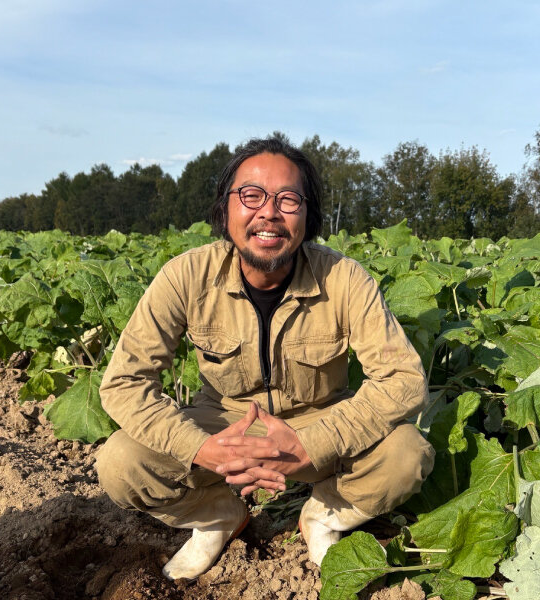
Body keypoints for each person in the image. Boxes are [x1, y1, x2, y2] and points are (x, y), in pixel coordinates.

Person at [95, 136, 434, 580]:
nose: (269, 212)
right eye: (251, 195)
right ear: (225, 208)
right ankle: (216, 515)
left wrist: (312, 444)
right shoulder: (185, 276)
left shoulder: (345, 278)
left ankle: (324, 516)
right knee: (120, 463)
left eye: (288, 199)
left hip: (319, 430)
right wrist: (201, 448)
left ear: (307, 215)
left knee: (407, 454)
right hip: (223, 427)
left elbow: (404, 380)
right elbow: (124, 384)